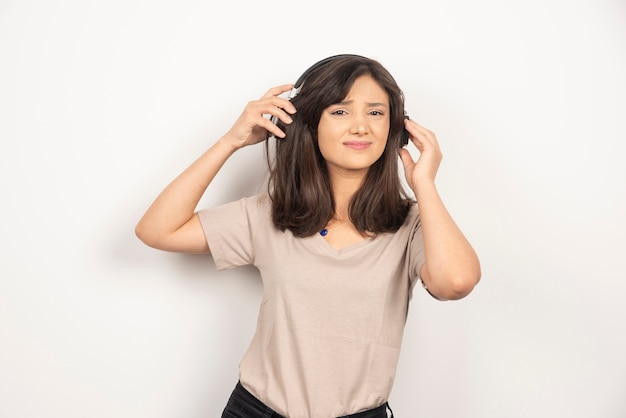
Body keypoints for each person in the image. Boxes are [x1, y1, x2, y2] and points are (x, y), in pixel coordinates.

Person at [135, 54, 481, 418]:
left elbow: (455, 283)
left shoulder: (412, 224)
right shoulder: (270, 214)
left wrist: (423, 184)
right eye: (341, 111)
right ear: (311, 124)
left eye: (376, 113)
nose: (361, 126)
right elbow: (157, 230)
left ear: (397, 129)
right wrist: (230, 141)